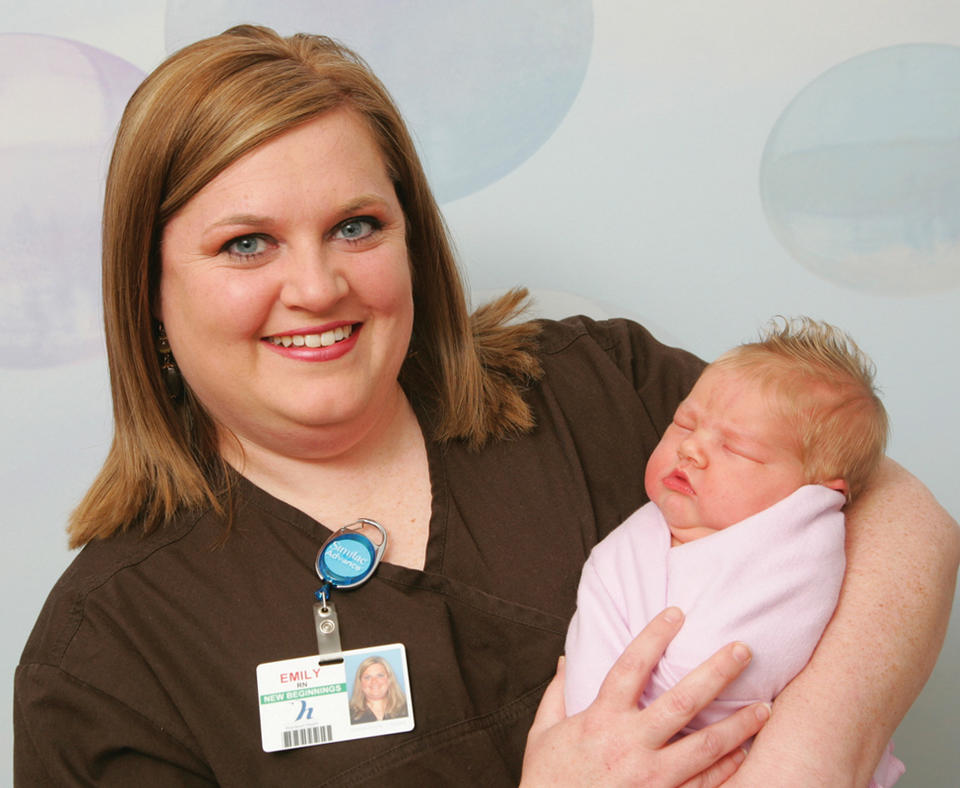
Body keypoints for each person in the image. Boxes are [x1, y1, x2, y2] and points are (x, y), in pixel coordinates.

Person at [12, 24, 958, 788]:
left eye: (356, 226)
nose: (318, 285)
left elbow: (890, 509)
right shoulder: (110, 657)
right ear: (149, 291)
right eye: (246, 245)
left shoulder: (596, 385)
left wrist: (812, 756)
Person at [564, 318, 903, 786]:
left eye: (737, 448)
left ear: (813, 496)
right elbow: (591, 686)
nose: (691, 448)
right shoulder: (636, 541)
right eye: (684, 422)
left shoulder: (798, 551)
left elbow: (728, 665)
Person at [349, 656, 409, 724]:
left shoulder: (407, 708)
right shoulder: (348, 714)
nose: (374, 681)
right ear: (360, 682)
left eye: (380, 675)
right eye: (367, 677)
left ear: (389, 679)